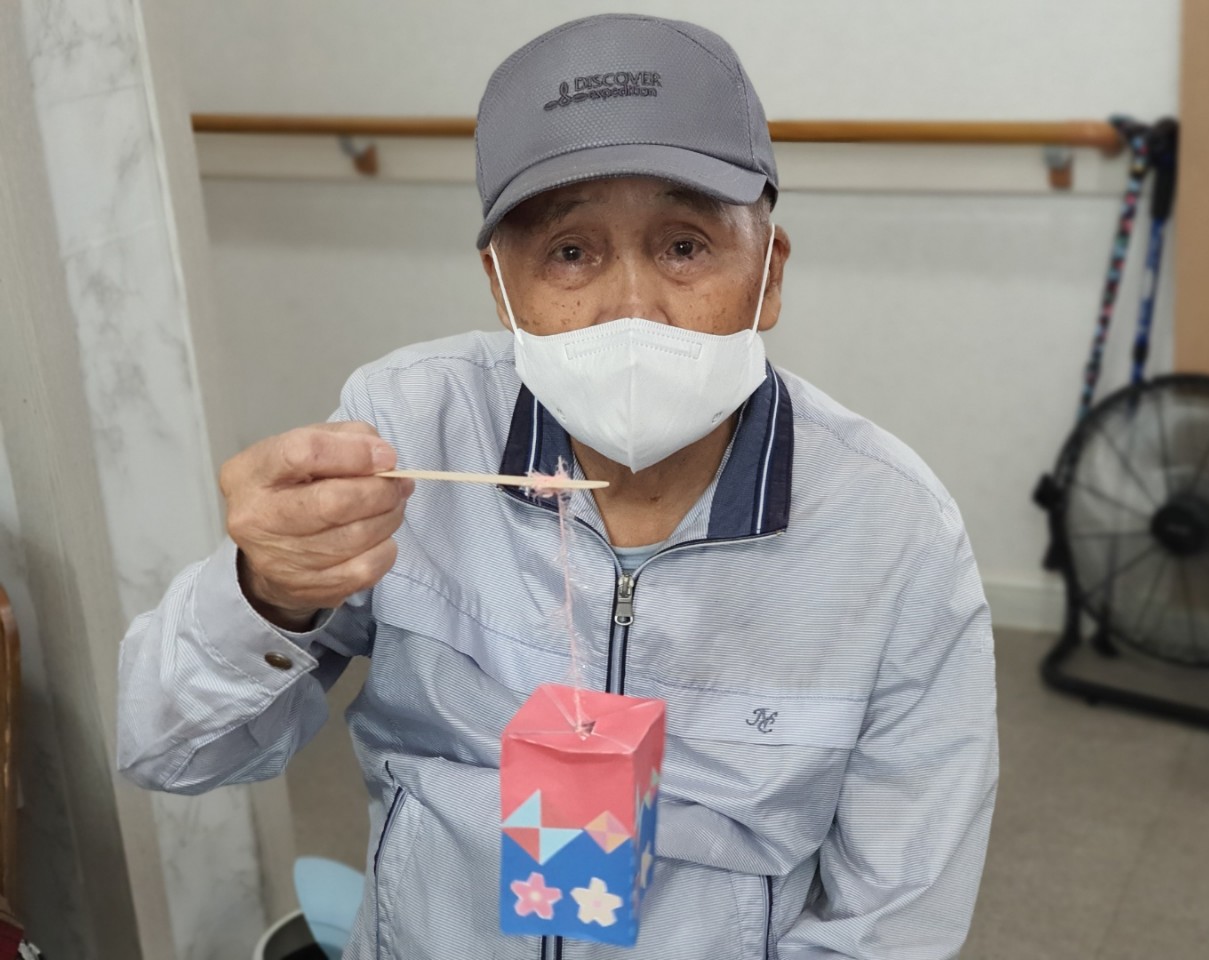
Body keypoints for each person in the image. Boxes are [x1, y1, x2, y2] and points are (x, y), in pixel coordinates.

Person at [117, 13, 997, 959]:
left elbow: (897, 921)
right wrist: (266, 592)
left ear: (768, 274)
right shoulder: (407, 430)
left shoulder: (892, 533)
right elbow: (166, 750)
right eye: (570, 252)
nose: (631, 310)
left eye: (685, 246)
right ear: (502, 288)